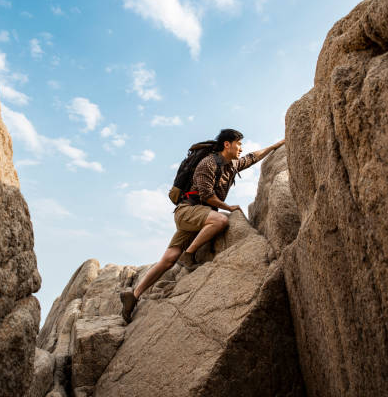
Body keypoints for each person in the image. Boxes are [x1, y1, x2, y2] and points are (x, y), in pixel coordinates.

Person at [120, 129, 286, 323]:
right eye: (238, 144)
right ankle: (188, 255)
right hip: (188, 212)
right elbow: (207, 195)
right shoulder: (207, 163)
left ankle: (134, 295)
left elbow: (253, 157)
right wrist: (228, 207)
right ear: (227, 144)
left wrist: (276, 145)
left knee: (168, 259)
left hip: (198, 215)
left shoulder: (231, 165)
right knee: (221, 220)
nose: (241, 148)